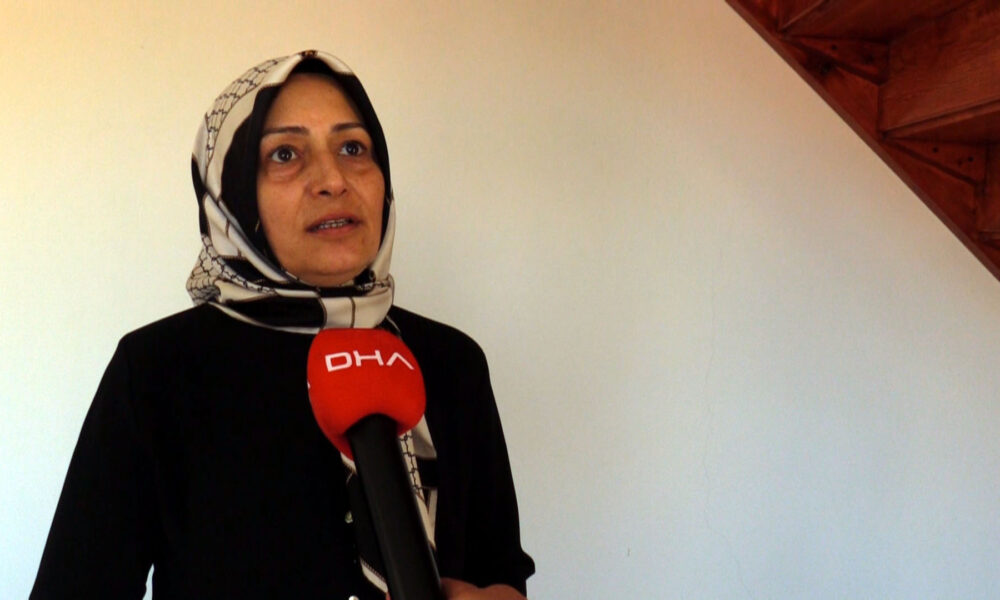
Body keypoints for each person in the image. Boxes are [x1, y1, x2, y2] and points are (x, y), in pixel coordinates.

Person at [31, 50, 534, 600]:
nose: (333, 180)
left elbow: (499, 573)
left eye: (353, 148)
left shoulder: (452, 362)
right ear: (232, 191)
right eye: (285, 154)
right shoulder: (157, 370)